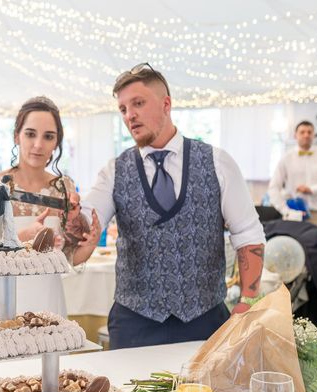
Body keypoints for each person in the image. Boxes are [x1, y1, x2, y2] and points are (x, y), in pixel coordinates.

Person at [67, 63, 265, 349]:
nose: (129, 115)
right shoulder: (114, 171)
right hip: (134, 323)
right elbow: (87, 216)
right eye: (123, 109)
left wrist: (248, 301)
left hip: (205, 319)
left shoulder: (217, 162)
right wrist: (74, 218)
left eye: (138, 103)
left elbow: (248, 234)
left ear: (166, 104)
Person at [0, 96, 80, 316]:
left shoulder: (65, 187)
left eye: (48, 136)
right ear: (17, 136)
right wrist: (22, 237)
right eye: (30, 134)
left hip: (47, 297)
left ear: (57, 142)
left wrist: (84, 240)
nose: (38, 145)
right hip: (1, 296)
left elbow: (68, 255)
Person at [268, 120, 317, 233]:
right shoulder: (286, 158)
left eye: (309, 132)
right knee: (294, 249)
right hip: (294, 214)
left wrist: (312, 189)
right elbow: (273, 188)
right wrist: (286, 211)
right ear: (295, 135)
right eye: (302, 132)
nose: (306, 135)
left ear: (313, 135)